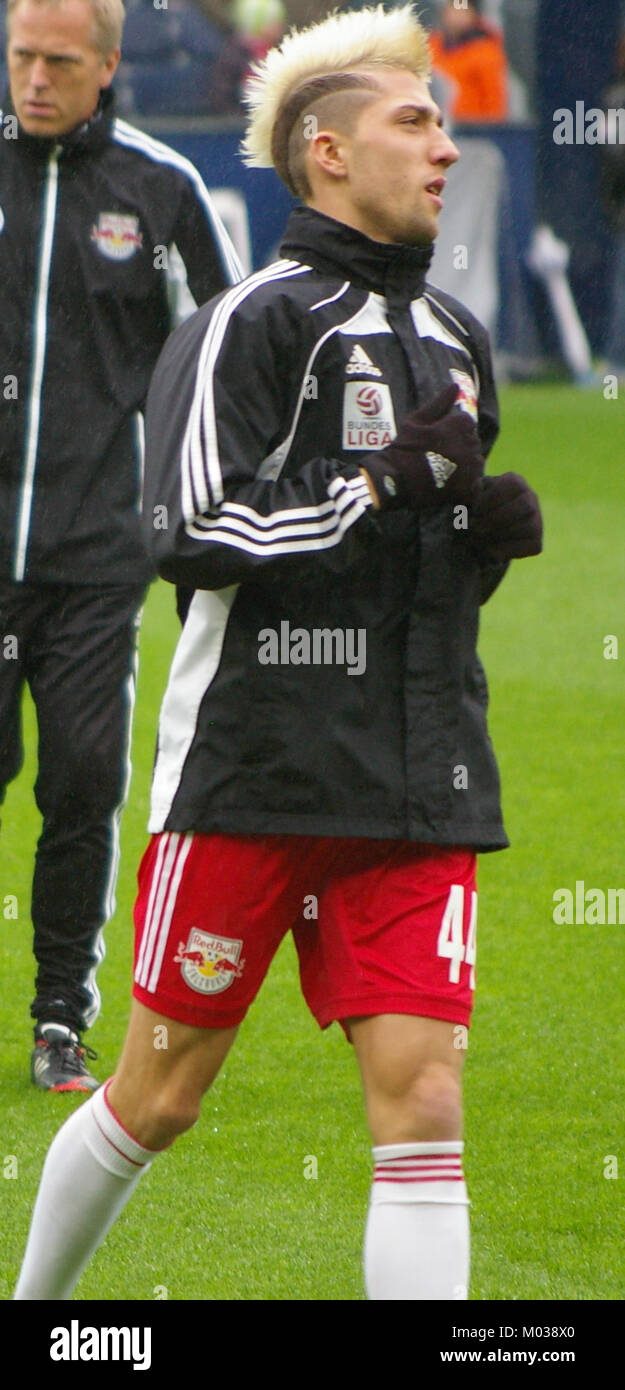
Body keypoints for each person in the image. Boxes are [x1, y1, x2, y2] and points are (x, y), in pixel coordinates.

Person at [14, 2, 542, 1300]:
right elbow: (193, 529)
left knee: (423, 1097)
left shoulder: (454, 341)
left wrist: (475, 528)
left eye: (447, 124)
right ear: (326, 152)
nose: (445, 148)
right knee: (161, 1093)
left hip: (417, 781)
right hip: (255, 767)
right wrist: (379, 489)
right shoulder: (250, 321)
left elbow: (420, 559)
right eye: (414, 122)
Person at [0, 0, 241, 1092]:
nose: (34, 79)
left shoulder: (160, 189)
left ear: (107, 67)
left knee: (85, 778)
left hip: (98, 554)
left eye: (58, 62)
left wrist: (192, 517)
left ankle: (60, 1013)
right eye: (19, 58)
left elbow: (225, 359)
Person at [429, 0, 508, 123]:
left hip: (472, 131)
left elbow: (495, 103)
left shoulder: (485, 50)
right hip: (436, 124)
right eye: (454, 9)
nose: (457, 15)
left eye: (463, 10)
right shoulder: (431, 47)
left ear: (474, 14)